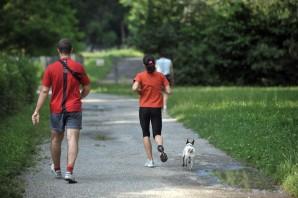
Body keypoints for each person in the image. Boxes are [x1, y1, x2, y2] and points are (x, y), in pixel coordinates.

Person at [32, 38, 90, 183]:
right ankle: (69, 171)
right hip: (74, 108)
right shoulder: (78, 67)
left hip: (56, 109)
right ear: (71, 50)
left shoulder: (50, 68)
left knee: (56, 139)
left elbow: (44, 91)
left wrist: (37, 110)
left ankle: (57, 169)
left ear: (58, 50)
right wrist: (79, 97)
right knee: (72, 139)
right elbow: (87, 88)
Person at [132, 55, 171, 167]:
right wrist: (162, 89)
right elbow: (168, 90)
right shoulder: (161, 76)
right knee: (157, 133)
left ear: (144, 65)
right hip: (156, 109)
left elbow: (134, 88)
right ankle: (160, 146)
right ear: (155, 64)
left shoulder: (140, 75)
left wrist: (139, 91)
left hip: (144, 108)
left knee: (145, 134)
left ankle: (150, 161)